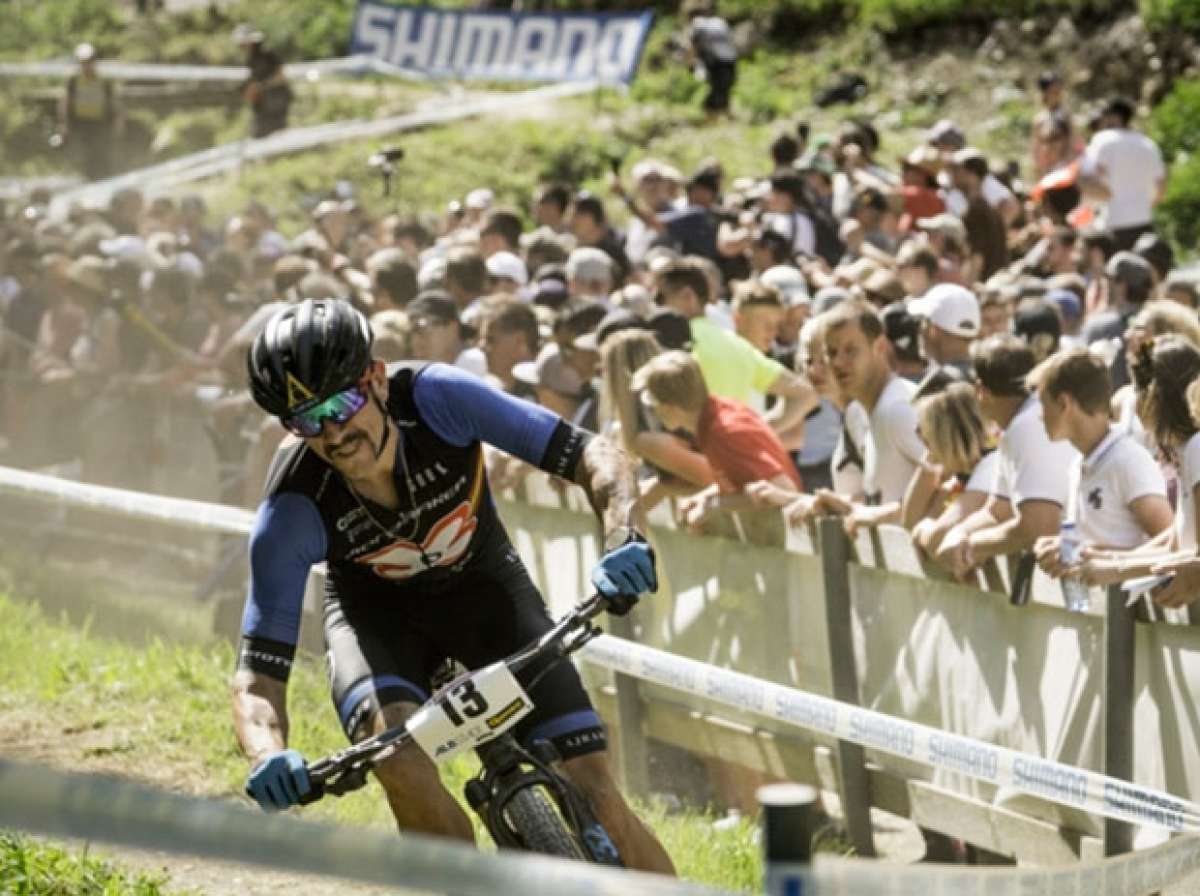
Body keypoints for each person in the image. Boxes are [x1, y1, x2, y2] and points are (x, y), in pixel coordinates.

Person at [235, 299, 674, 874]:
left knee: (597, 793)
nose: (334, 431)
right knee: (397, 762)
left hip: (486, 592)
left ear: (375, 377)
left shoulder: (440, 398)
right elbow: (259, 673)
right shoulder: (291, 506)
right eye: (306, 419)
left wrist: (622, 536)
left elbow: (594, 452)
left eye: (342, 402)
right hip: (378, 621)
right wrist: (268, 753)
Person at [1029, 349, 1171, 582]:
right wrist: (1063, 549)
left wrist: (1103, 561)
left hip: (1135, 616)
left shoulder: (1128, 461)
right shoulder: (1078, 463)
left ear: (1064, 404)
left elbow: (1172, 546)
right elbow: (1095, 547)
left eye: (1043, 405)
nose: (1040, 417)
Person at [632, 350, 800, 527]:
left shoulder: (725, 433)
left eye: (654, 405)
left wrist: (713, 506)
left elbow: (783, 491)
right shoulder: (716, 415)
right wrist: (708, 496)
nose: (655, 413)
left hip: (785, 538)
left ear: (670, 407)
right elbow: (744, 481)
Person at [1078, 97, 1165, 251]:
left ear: (1114, 117)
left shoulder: (1103, 140)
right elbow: (1160, 190)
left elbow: (1085, 177)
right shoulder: (1148, 145)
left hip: (1114, 223)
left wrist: (1102, 196)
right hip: (1144, 222)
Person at [58, 43, 123, 181]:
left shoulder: (104, 80)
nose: (87, 65)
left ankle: (101, 178)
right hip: (80, 124)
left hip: (100, 123)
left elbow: (113, 101)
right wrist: (64, 123)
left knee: (100, 153)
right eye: (83, 62)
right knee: (83, 154)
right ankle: (86, 178)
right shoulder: (74, 80)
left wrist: (118, 120)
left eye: (89, 61)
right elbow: (66, 102)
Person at [681, 0, 738, 118]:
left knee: (715, 95)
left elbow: (692, 46)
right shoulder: (719, 22)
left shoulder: (696, 24)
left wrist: (691, 64)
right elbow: (731, 42)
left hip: (716, 62)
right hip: (730, 61)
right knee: (723, 91)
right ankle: (726, 118)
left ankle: (713, 120)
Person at [235, 24, 293, 139]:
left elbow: (281, 76)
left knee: (277, 133)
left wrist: (262, 86)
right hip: (263, 104)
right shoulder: (250, 60)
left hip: (276, 101)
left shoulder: (267, 54)